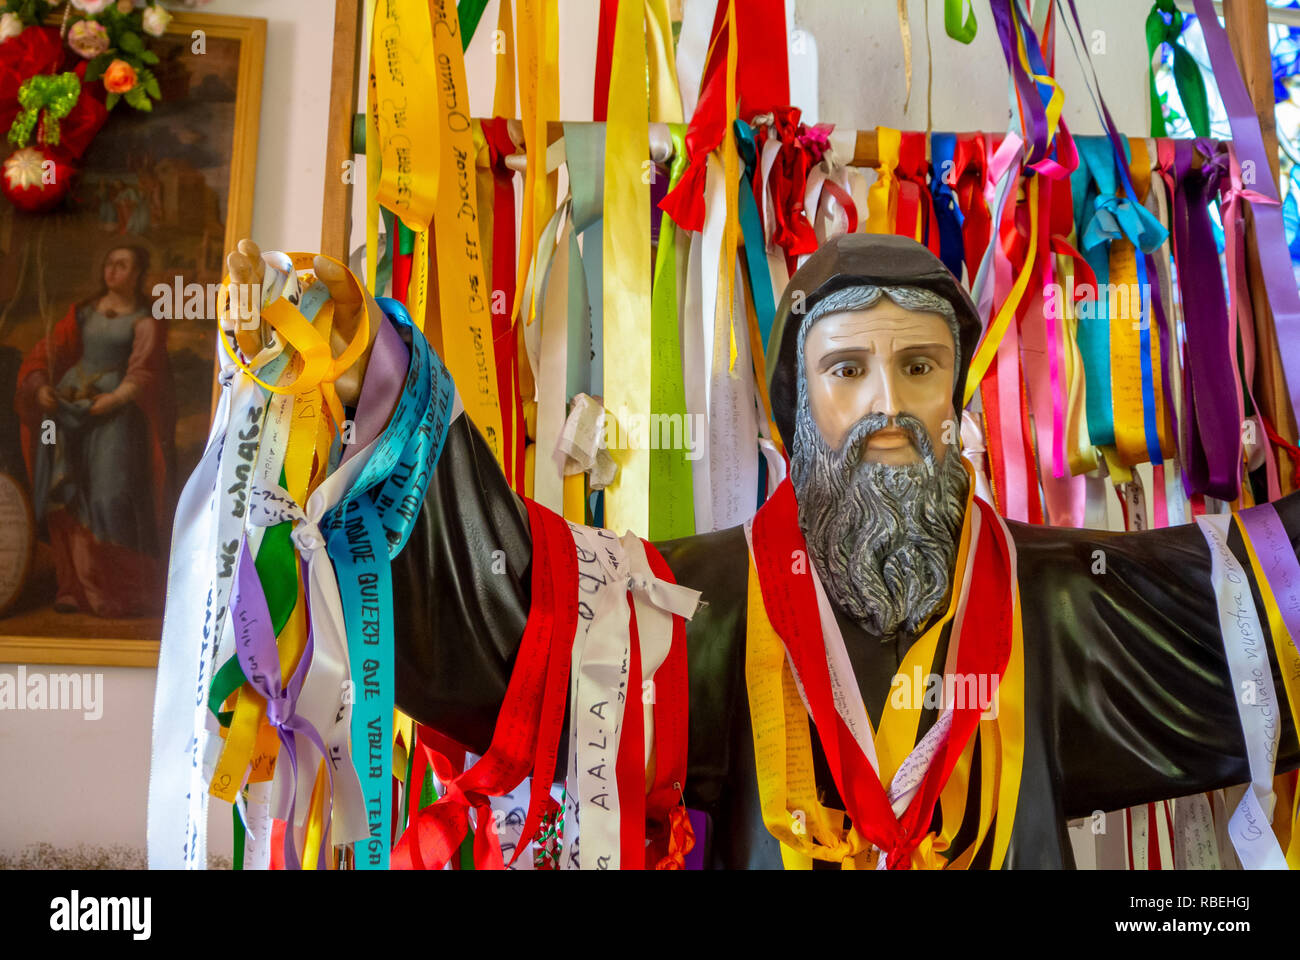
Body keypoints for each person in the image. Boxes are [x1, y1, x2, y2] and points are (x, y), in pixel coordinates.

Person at [228, 233, 1300, 868]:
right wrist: (374, 377)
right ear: (792, 405)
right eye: (847, 371)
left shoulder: (1068, 603)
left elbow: (1272, 602)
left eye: (921, 367)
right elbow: (515, 622)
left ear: (957, 394)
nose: (890, 407)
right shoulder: (697, 605)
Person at [14, 244, 175, 617]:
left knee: (109, 497)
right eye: (109, 263)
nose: (113, 271)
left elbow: (145, 373)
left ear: (138, 273)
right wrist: (41, 387)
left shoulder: (145, 321)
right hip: (69, 411)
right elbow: (48, 352)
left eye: (122, 265)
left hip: (115, 416)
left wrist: (115, 400)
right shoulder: (83, 313)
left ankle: (113, 592)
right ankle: (73, 588)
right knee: (65, 495)